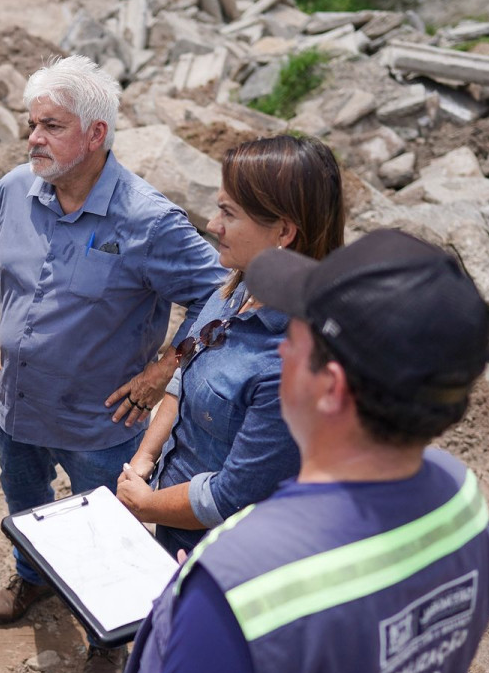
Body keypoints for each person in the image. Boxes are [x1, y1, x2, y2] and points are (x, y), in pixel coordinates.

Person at [98, 228, 489, 673]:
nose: (282, 348)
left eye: (297, 336)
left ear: (330, 386)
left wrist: (202, 604)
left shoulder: (235, 588)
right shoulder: (462, 500)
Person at [0, 54, 226, 673]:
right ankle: (33, 574)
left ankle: (107, 638)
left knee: (106, 533)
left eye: (51, 126)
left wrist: (167, 365)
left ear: (96, 134)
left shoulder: (148, 220)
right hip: (17, 406)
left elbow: (220, 295)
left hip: (100, 423)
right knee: (24, 499)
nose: (33, 137)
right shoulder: (13, 191)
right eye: (32, 123)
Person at [116, 135, 345, 556]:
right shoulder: (236, 288)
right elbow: (186, 373)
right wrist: (146, 458)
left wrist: (147, 505)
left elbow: (233, 497)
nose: (212, 225)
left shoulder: (293, 363)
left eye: (228, 213)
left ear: (284, 232)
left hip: (227, 558)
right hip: (176, 523)